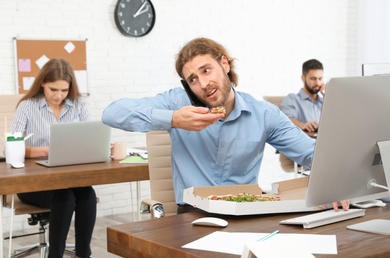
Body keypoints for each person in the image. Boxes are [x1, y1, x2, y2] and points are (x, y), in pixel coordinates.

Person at [102, 37, 348, 212]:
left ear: (225, 64)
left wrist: (335, 183)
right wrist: (174, 118)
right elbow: (112, 113)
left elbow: (311, 153)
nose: (203, 83)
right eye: (193, 79)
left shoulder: (263, 114)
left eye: (207, 70)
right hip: (192, 215)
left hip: (246, 212)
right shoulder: (177, 103)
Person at [9, 58, 96, 258]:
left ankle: (83, 254)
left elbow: (88, 139)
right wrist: (47, 151)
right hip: (33, 183)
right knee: (64, 198)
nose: (59, 96)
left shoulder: (78, 105)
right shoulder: (27, 106)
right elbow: (12, 147)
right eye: (53, 89)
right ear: (42, 83)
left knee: (87, 195)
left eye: (64, 90)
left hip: (69, 178)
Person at [281, 59, 325, 133]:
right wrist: (302, 125)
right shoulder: (292, 99)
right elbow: (286, 120)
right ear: (303, 78)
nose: (317, 83)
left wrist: (325, 94)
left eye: (320, 79)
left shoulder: (323, 101)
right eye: (313, 79)